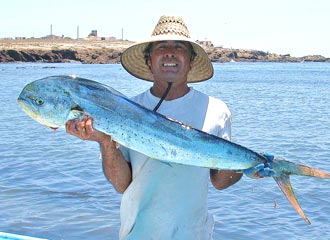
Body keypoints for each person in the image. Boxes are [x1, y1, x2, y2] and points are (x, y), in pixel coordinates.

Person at [66, 15, 274, 240]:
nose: (170, 52)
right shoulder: (125, 109)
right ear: (149, 60)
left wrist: (246, 167)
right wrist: (104, 141)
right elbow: (121, 184)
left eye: (179, 47)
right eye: (161, 47)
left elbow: (221, 182)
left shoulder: (216, 110)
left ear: (191, 61)